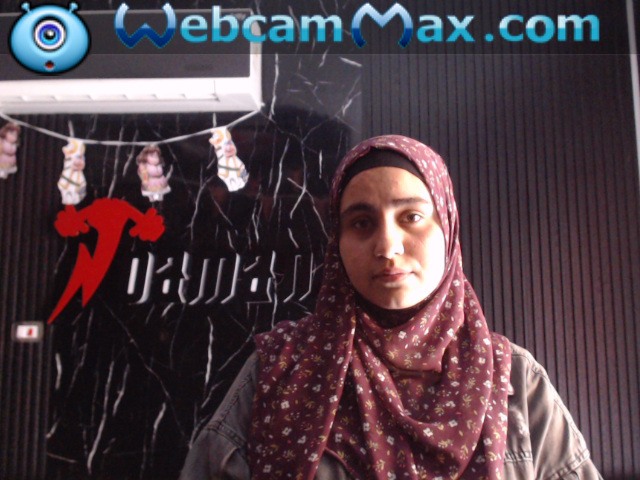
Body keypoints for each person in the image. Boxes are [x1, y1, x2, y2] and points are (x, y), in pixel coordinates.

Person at [180, 135, 601, 480]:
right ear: (338, 242)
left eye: (411, 217)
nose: (387, 247)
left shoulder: (512, 378)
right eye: (362, 223)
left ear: (447, 227)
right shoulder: (280, 367)